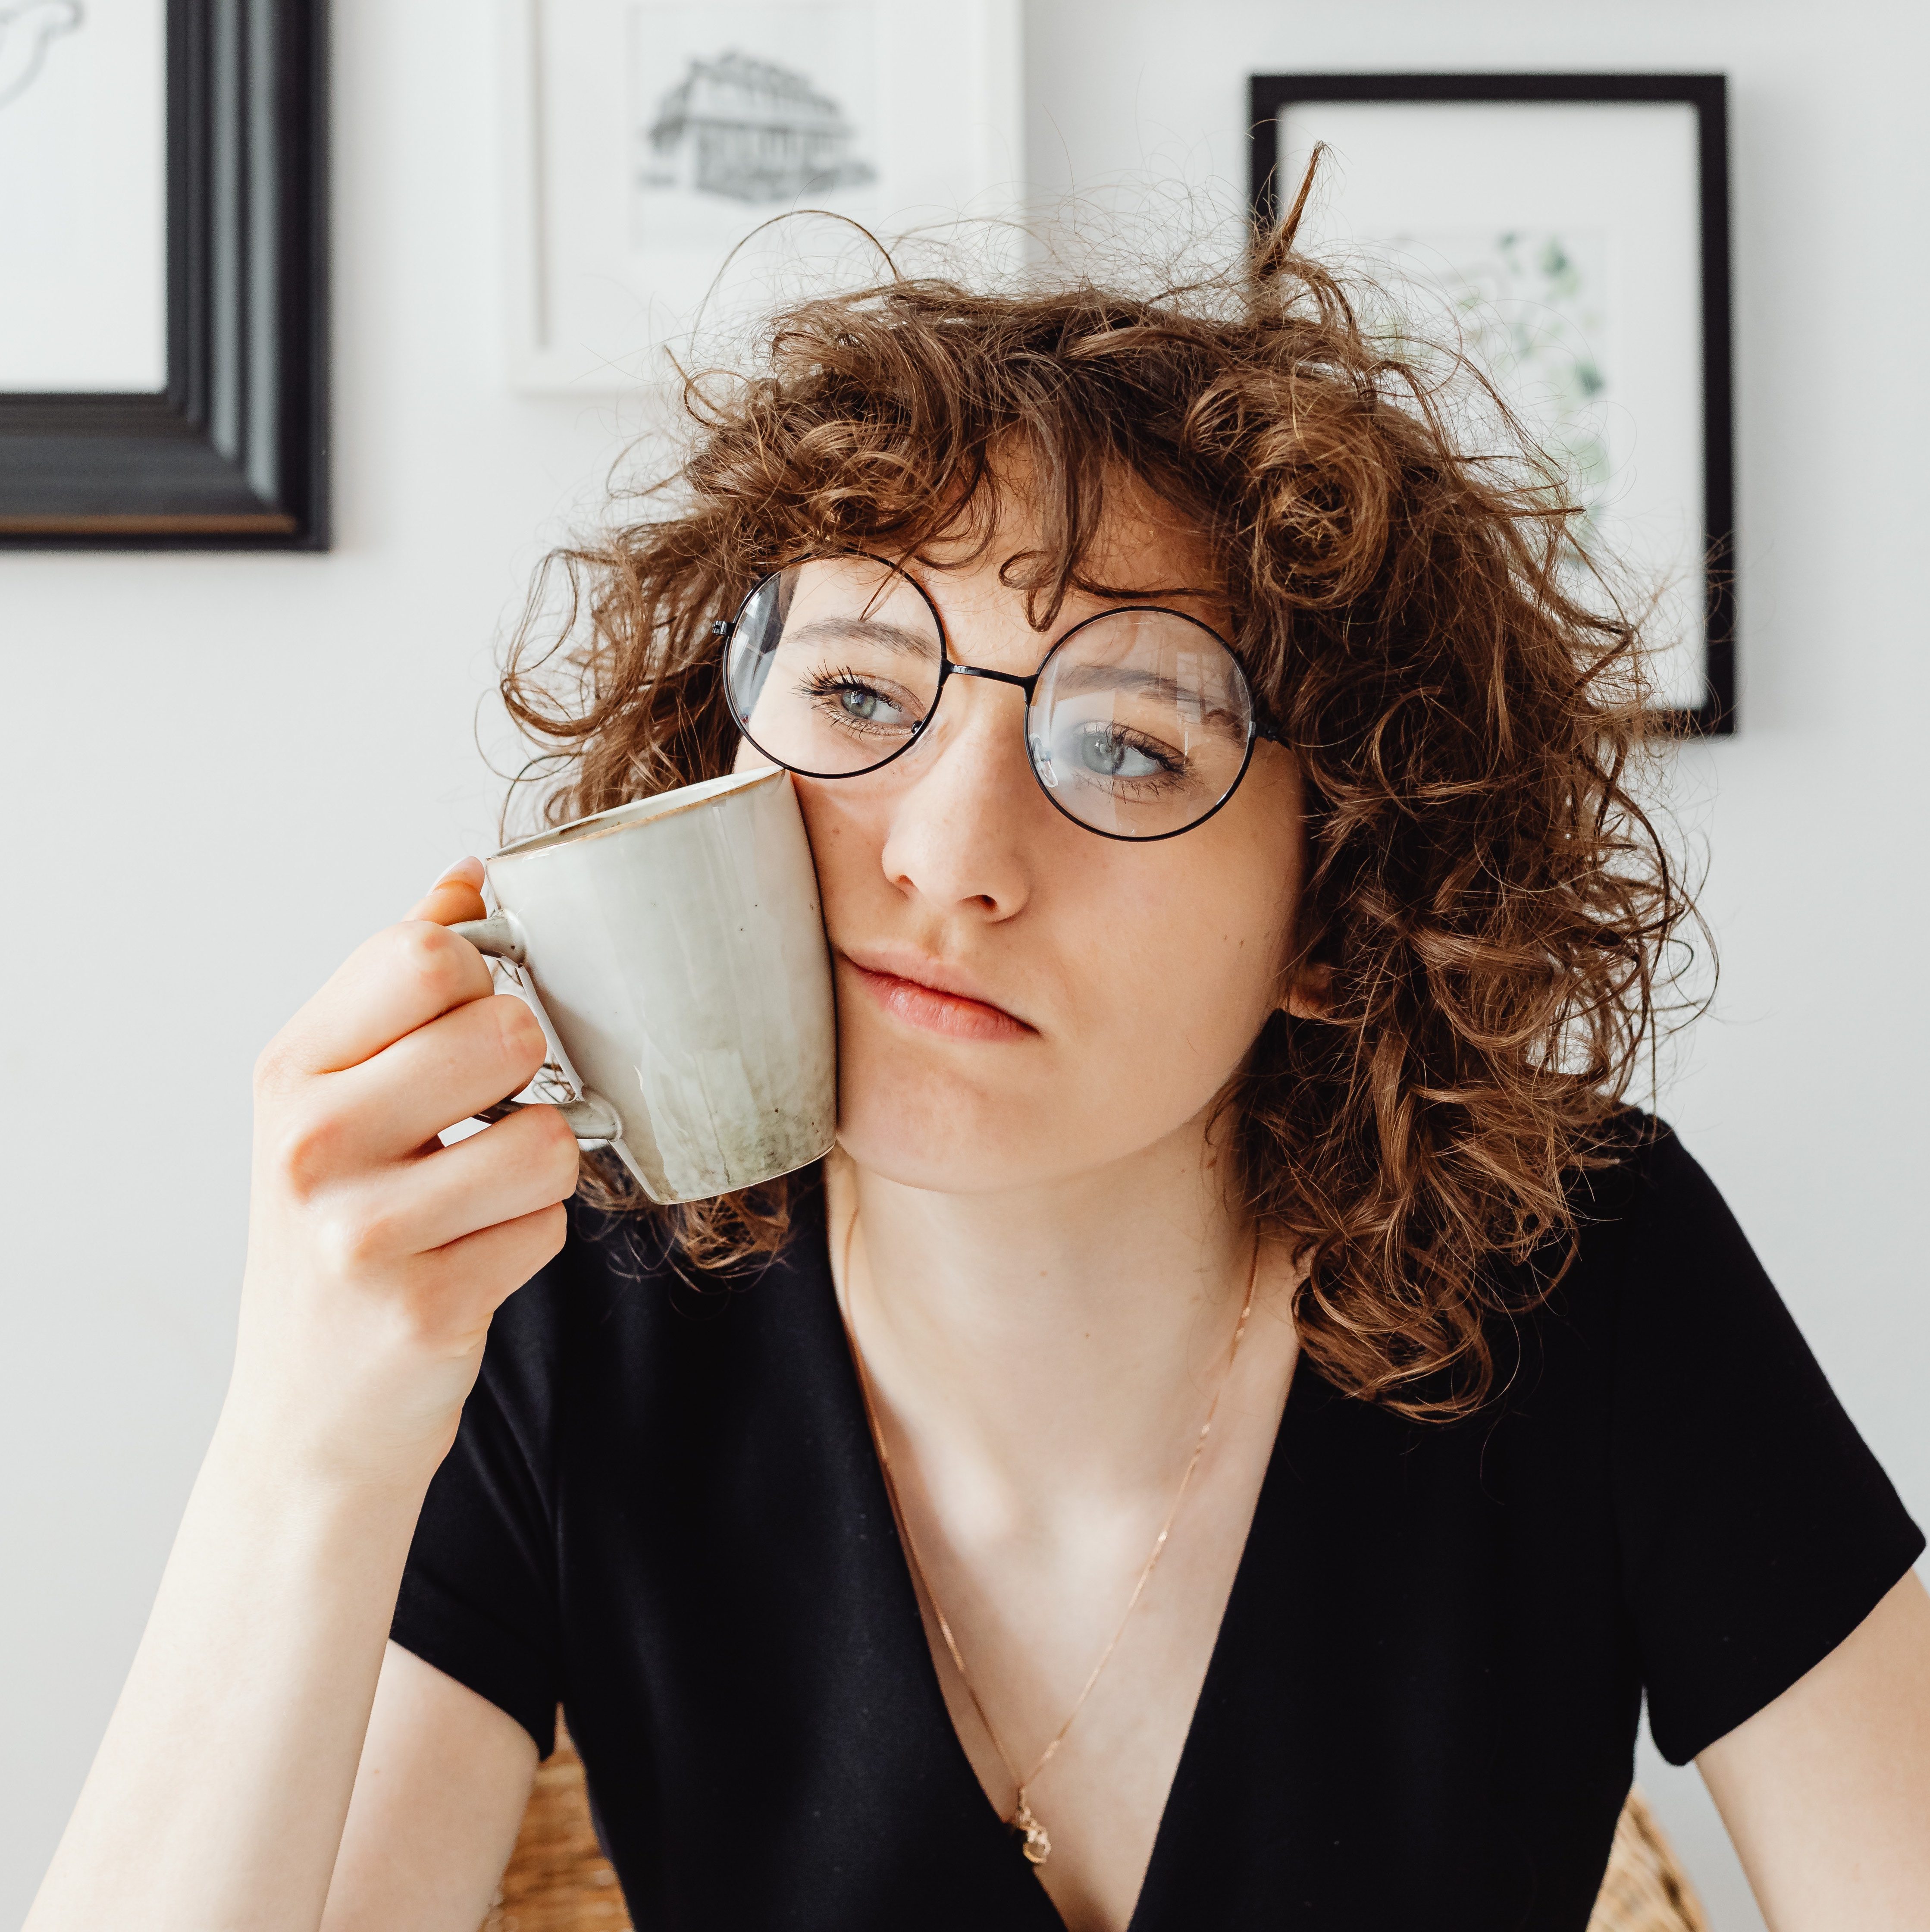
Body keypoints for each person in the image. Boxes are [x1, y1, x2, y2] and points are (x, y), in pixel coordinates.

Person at [24, 207, 1930, 1932]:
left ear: (1345, 924)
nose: (946, 855)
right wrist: (309, 1442)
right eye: (858, 692)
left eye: (1133, 749)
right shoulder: (569, 1302)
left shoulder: (1581, 1265)